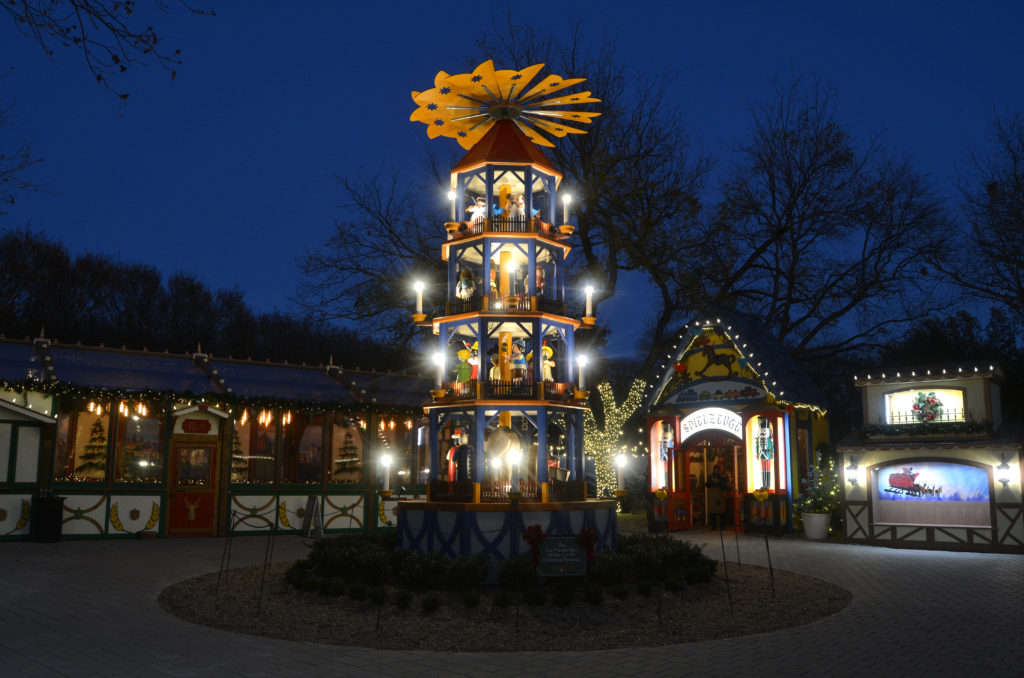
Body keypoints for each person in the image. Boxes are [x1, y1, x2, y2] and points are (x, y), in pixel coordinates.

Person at [705, 464, 729, 530]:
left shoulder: (722, 477)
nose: (716, 471)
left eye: (717, 469)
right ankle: (713, 526)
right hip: (712, 497)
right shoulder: (710, 476)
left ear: (719, 470)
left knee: (721, 512)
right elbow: (707, 484)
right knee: (713, 513)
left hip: (720, 496)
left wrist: (718, 482)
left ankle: (722, 526)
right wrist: (712, 481)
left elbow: (725, 486)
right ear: (713, 470)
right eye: (715, 469)